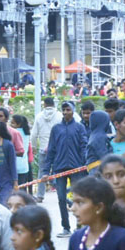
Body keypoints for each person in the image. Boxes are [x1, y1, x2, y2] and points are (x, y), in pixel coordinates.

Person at [42, 101, 88, 237]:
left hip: (76, 169)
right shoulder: (56, 129)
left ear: (73, 111)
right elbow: (51, 150)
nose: (65, 112)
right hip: (60, 168)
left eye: (68, 109)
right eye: (63, 110)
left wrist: (84, 164)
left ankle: (80, 226)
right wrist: (45, 171)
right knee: (61, 198)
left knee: (78, 198)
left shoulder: (79, 128)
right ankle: (66, 227)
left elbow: (84, 146)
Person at [32, 98, 62, 203]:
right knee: (59, 171)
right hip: (57, 148)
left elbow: (34, 134)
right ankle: (61, 194)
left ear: (44, 105)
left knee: (42, 172)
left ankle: (40, 196)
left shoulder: (39, 116)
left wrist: (34, 147)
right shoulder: (59, 116)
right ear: (54, 104)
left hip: (43, 149)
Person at [9, 115, 33, 188]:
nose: (10, 125)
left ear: (19, 124)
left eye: (12, 123)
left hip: (14, 165)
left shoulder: (14, 133)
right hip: (24, 166)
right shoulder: (26, 133)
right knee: (22, 188)